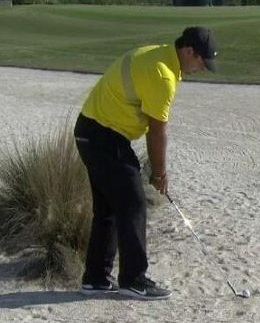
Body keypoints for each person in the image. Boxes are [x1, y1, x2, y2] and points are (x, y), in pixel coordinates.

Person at [74, 27, 218, 300]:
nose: (202, 68)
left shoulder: (157, 54)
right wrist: (160, 173)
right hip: (104, 136)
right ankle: (134, 280)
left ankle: (95, 279)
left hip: (88, 131)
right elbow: (157, 130)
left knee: (108, 208)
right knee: (133, 204)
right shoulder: (162, 74)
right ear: (188, 51)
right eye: (201, 61)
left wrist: (155, 171)